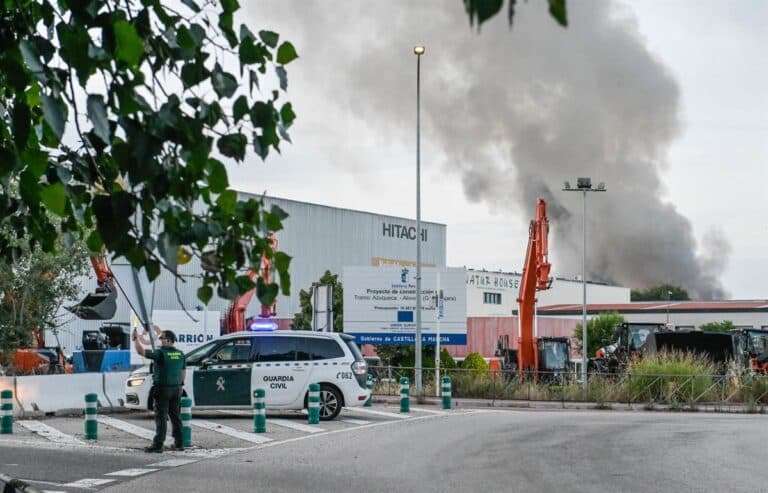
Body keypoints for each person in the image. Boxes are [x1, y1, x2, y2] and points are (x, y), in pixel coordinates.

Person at [132, 327, 186, 453]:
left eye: (162, 338)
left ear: (168, 340)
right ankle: (179, 443)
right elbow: (183, 372)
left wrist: (135, 339)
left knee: (161, 417)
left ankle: (158, 445)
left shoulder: (161, 353)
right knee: (176, 416)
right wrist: (180, 385)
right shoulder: (180, 354)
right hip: (177, 389)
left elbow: (141, 352)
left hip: (162, 389)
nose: (160, 341)